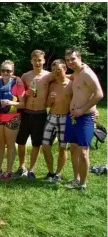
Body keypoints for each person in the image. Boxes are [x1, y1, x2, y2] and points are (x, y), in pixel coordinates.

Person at [63, 48, 103, 191]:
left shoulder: (87, 73)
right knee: (73, 148)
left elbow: (99, 94)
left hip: (85, 117)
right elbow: (64, 76)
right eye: (67, 60)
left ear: (80, 57)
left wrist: (83, 109)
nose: (70, 62)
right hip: (73, 116)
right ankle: (76, 179)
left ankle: (83, 184)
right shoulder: (76, 74)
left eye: (73, 59)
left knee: (83, 152)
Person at [14, 49, 55, 180]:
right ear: (31, 61)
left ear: (44, 60)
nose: (37, 62)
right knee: (21, 142)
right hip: (26, 112)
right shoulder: (26, 76)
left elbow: (65, 77)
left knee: (36, 144)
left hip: (40, 113)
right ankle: (21, 167)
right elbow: (20, 93)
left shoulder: (49, 76)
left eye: (40, 60)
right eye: (35, 60)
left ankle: (31, 170)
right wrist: (26, 93)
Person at [0, 60, 25, 180]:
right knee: (0, 144)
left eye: (9, 71)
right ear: (0, 71)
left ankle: (9, 170)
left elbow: (23, 103)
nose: (6, 73)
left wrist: (10, 102)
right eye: (3, 70)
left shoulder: (17, 84)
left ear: (13, 72)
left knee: (10, 145)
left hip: (12, 118)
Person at [41, 59, 73, 182]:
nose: (56, 73)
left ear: (65, 69)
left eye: (59, 70)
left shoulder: (71, 84)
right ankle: (50, 172)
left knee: (62, 147)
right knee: (45, 145)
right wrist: (51, 100)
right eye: (54, 70)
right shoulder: (52, 85)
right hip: (51, 117)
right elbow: (48, 104)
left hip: (65, 118)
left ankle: (58, 174)